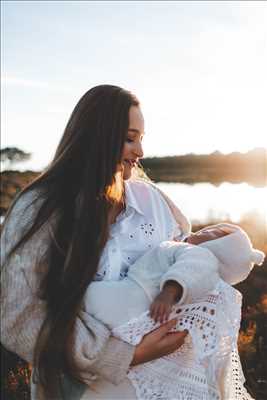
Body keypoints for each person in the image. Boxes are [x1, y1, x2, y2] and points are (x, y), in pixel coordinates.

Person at [0, 84, 255, 400]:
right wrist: (123, 354)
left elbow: (178, 266)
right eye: (129, 138)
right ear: (95, 139)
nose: (140, 152)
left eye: (142, 139)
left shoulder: (153, 202)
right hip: (84, 391)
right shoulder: (38, 209)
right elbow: (17, 316)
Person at [82, 224, 264, 399]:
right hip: (129, 302)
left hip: (130, 297)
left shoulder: (199, 255)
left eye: (216, 232)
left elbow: (195, 265)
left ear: (219, 248)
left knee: (82, 300)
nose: (207, 228)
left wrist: (169, 292)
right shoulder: (190, 259)